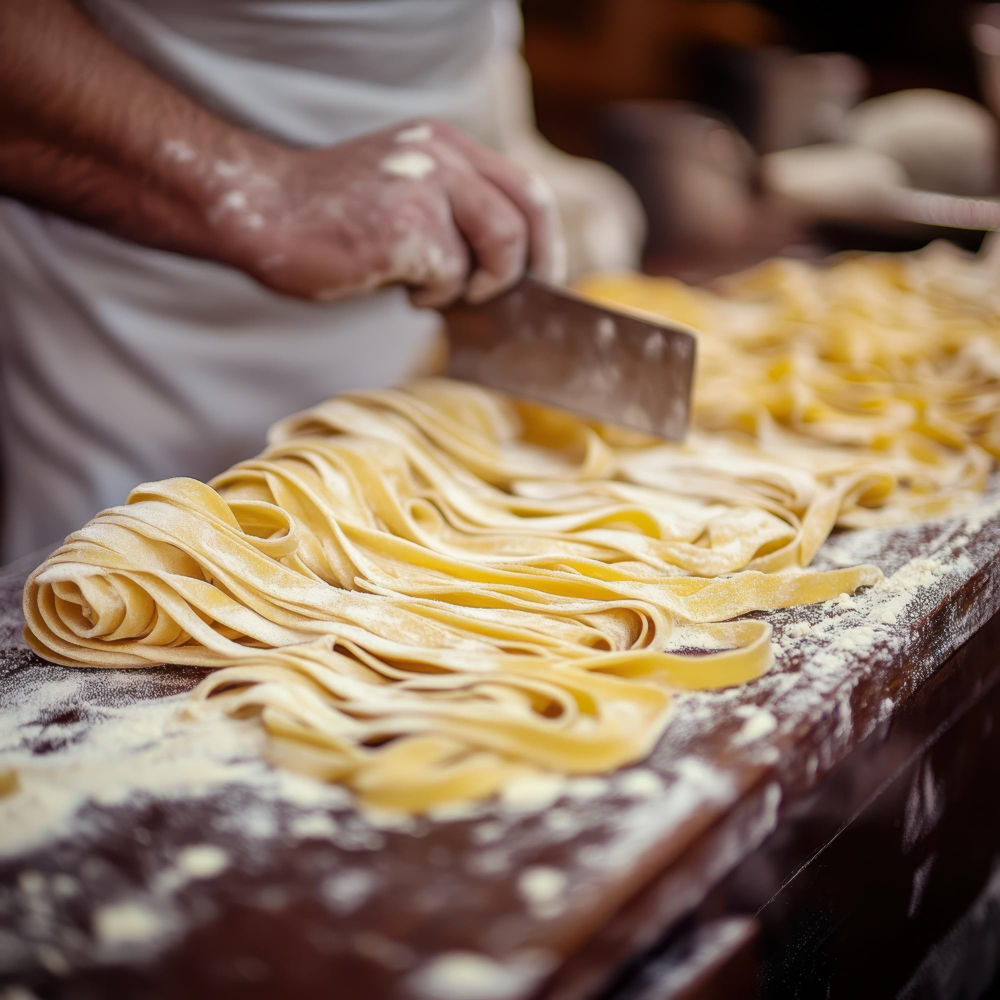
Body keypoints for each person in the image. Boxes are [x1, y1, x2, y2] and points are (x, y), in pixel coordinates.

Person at [0, 0, 644, 562]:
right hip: (146, 305)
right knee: (123, 592)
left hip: (420, 283)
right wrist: (261, 188)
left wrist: (497, 118)